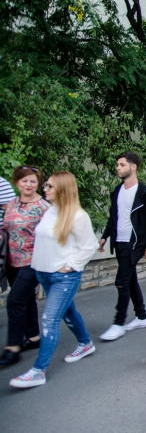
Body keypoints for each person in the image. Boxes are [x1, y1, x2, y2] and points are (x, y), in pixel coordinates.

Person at [10, 172, 97, 388]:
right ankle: (85, 343)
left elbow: (90, 246)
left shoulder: (78, 216)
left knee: (49, 320)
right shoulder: (51, 211)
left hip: (63, 278)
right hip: (44, 273)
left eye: (49, 186)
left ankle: (38, 371)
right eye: (46, 185)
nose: (45, 189)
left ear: (63, 189)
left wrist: (70, 266)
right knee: (68, 311)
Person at [97, 151, 146, 342]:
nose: (118, 168)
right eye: (117, 165)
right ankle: (141, 317)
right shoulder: (117, 191)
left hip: (135, 243)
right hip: (119, 241)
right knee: (130, 280)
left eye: (121, 165)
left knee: (121, 281)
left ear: (133, 167)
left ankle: (118, 323)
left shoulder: (144, 192)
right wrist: (105, 236)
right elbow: (113, 216)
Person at [0, 166, 49, 366]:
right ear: (17, 183)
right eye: (24, 181)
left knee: (14, 301)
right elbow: (6, 227)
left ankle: (13, 348)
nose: (28, 184)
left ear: (38, 184)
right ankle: (34, 337)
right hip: (12, 260)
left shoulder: (44, 207)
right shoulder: (10, 204)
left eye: (32, 181)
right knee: (27, 299)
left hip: (33, 261)